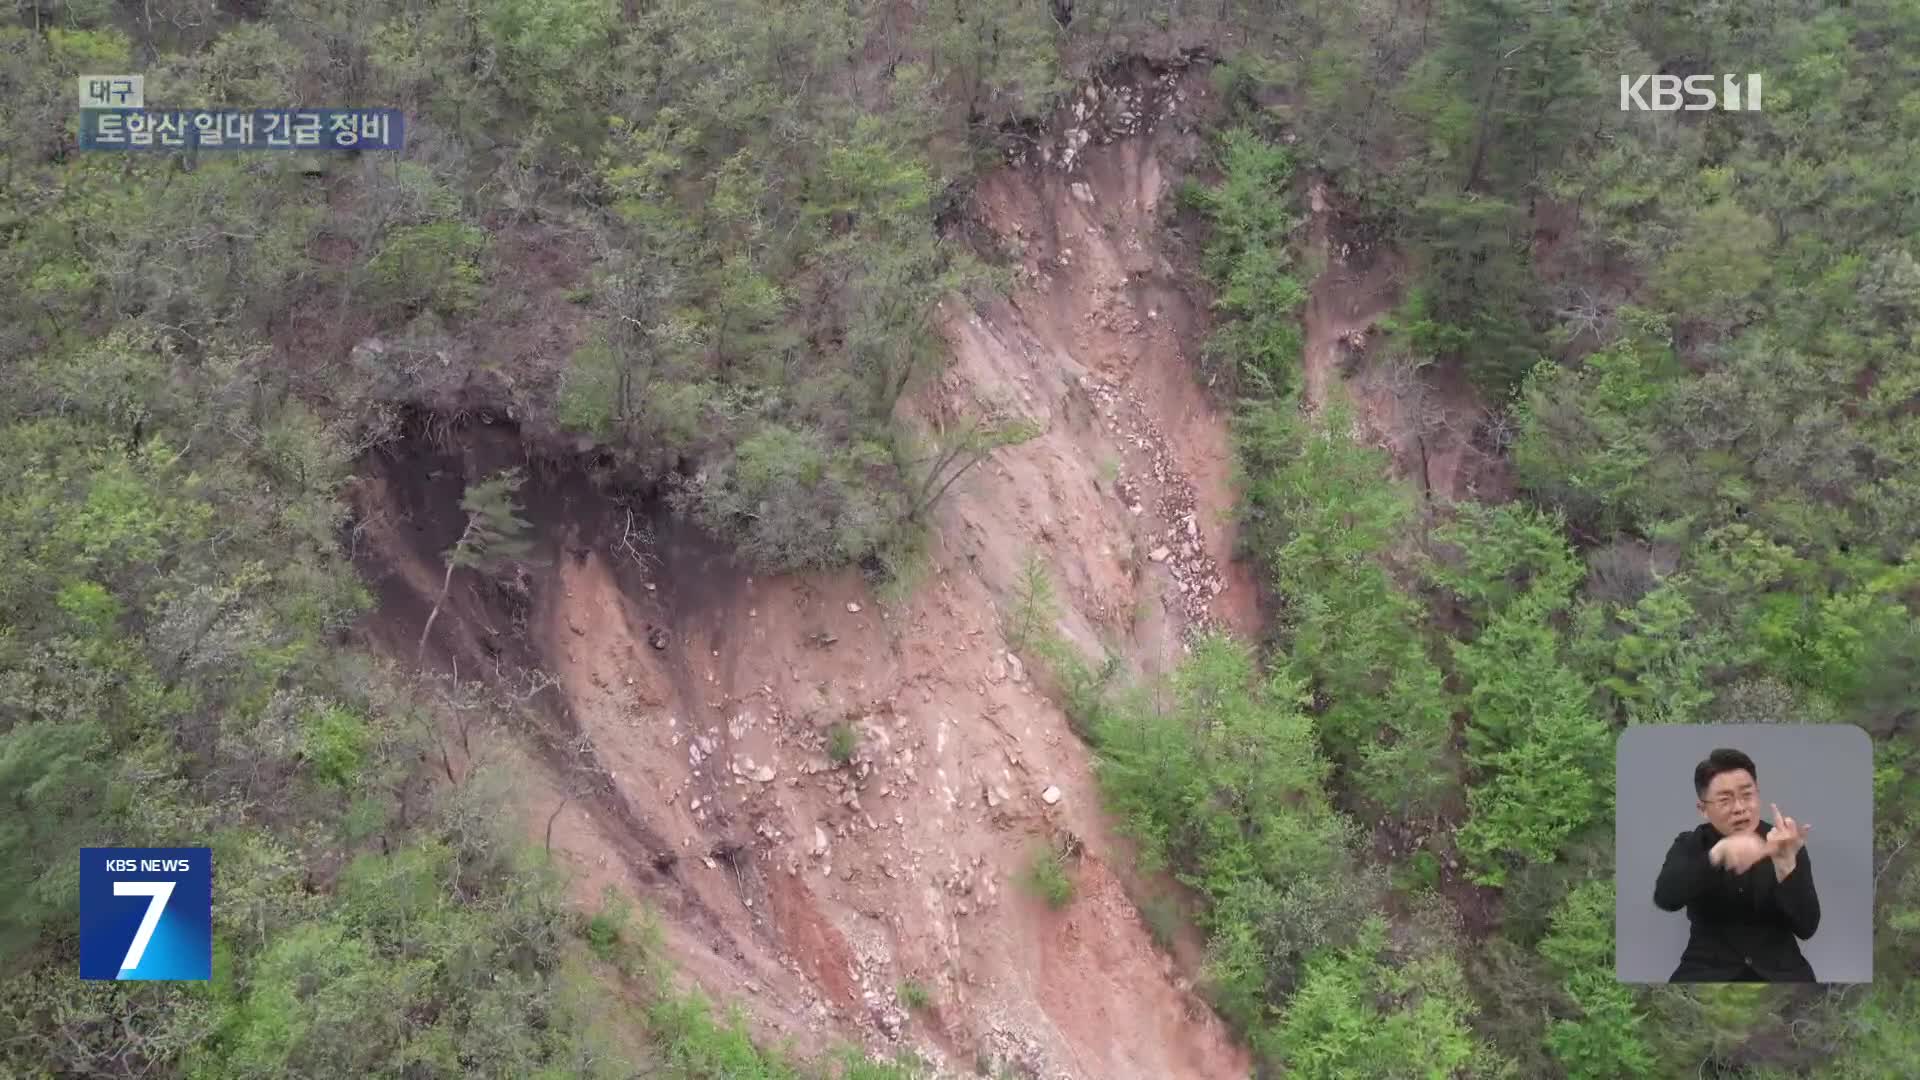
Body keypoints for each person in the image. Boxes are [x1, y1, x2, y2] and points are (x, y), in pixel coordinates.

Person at [1652, 748, 1819, 981]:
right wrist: (1717, 855)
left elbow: (1807, 927)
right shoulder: (1690, 843)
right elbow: (1665, 898)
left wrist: (1785, 868)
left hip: (1781, 973)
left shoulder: (1784, 841)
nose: (1740, 807)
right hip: (1706, 972)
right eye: (1725, 800)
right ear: (1703, 809)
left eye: (1747, 795)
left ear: (1757, 795)